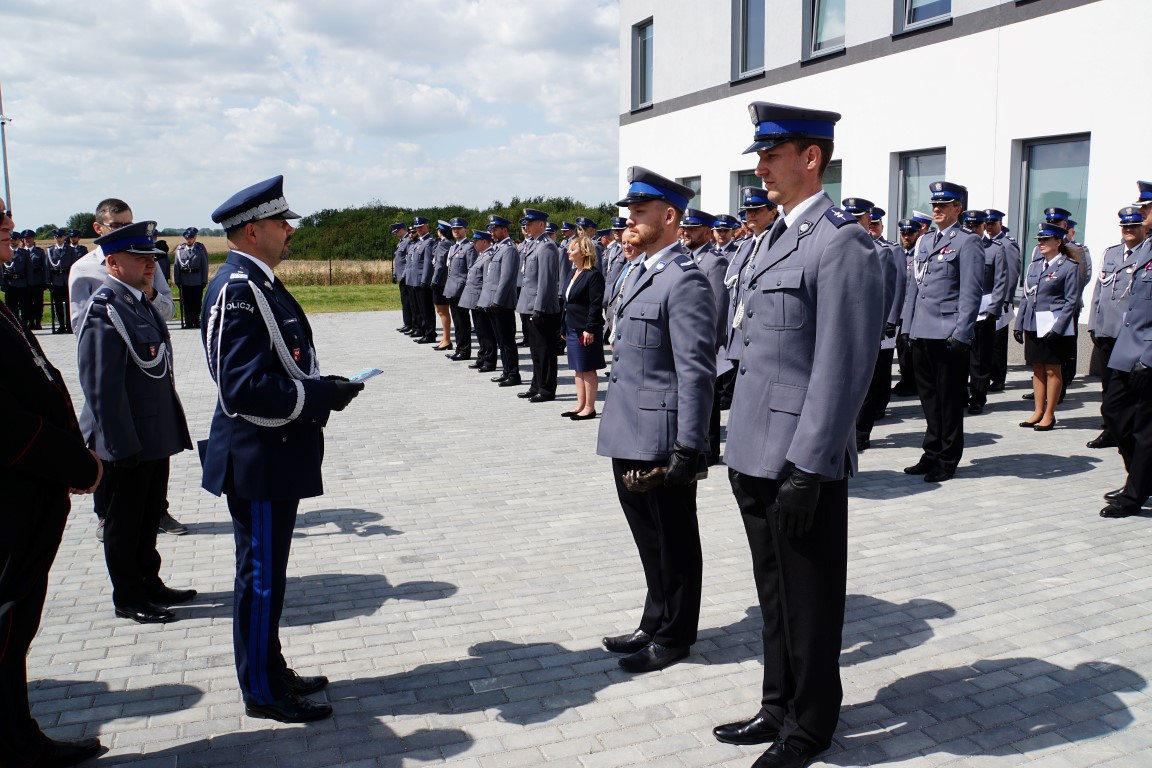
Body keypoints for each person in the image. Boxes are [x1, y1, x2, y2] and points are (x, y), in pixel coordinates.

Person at [713, 102, 883, 768]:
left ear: (810, 158)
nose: (760, 168)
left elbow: (844, 365)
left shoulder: (841, 241)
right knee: (775, 593)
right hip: (754, 449)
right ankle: (777, 705)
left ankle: (810, 727)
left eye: (770, 155)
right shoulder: (770, 237)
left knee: (811, 600)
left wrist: (809, 467)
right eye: (760, 155)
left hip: (798, 460)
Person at [200, 176, 364, 723]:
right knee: (261, 578)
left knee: (270, 575)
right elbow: (240, 388)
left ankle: (271, 668)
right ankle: (263, 691)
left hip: (275, 452)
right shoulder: (238, 290)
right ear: (253, 230)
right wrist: (320, 396)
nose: (289, 231)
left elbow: (282, 362)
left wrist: (324, 386)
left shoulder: (261, 283)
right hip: (258, 458)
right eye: (280, 223)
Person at [596, 166, 716, 675]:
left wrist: (689, 448)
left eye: (639, 213)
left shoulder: (685, 281)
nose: (630, 222)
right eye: (629, 213)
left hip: (662, 437)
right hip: (628, 427)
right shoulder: (638, 270)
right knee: (648, 536)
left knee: (675, 538)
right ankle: (654, 617)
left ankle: (675, 634)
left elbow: (695, 372)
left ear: (669, 217)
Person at [1, 198, 106, 768]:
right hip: (14, 494)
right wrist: (75, 464)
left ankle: (19, 733)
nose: (10, 230)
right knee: (7, 623)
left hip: (28, 491)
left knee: (14, 628)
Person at [76, 221, 196, 624]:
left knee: (147, 517)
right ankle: (128, 595)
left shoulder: (138, 302)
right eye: (139, 258)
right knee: (124, 523)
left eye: (152, 259)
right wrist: (119, 444)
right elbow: (101, 387)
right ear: (112, 262)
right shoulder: (105, 308)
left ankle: (149, 581)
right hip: (127, 440)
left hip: (152, 435)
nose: (150, 265)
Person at [900, 181, 984, 483]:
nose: (936, 209)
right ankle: (931, 452)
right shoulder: (924, 242)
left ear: (957, 209)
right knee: (929, 401)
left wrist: (962, 334)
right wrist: (907, 328)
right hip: (922, 332)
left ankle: (948, 458)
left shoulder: (967, 242)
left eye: (944, 205)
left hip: (948, 334)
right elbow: (914, 288)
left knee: (949, 402)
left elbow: (971, 292)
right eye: (934, 204)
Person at [68, 198, 175, 331]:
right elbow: (81, 326)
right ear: (98, 228)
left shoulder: (147, 261)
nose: (124, 231)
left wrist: (151, 294)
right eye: (116, 226)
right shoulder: (83, 269)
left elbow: (169, 313)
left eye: (128, 225)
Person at [1087, 208, 1146, 449]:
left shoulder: (1146, 255)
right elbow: (1098, 292)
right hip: (1107, 331)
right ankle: (1110, 430)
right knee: (1108, 386)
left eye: (1134, 226)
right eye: (1125, 227)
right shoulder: (1111, 253)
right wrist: (1093, 325)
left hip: (1130, 336)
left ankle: (1128, 430)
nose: (1128, 230)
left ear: (1145, 228)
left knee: (1129, 389)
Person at [1013, 222, 1081, 431]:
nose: (1041, 243)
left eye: (1045, 240)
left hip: (1054, 326)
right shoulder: (1035, 265)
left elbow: (1072, 301)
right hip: (1034, 323)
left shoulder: (1069, 266)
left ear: (1058, 242)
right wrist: (1018, 323)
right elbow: (1026, 296)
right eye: (1039, 240)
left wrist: (1058, 328)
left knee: (1053, 370)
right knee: (1037, 369)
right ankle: (1037, 411)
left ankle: (1049, 414)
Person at [962, 209, 1008, 415]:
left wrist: (994, 308)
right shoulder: (959, 246)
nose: (973, 229)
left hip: (984, 310)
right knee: (960, 357)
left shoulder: (995, 249)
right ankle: (960, 395)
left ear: (983, 227)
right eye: (969, 226)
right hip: (962, 311)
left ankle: (978, 398)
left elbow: (1001, 282)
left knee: (980, 359)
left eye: (976, 226)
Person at [515, 208, 562, 402]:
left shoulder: (547, 246)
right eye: (526, 222)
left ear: (541, 224)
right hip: (529, 304)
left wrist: (539, 308)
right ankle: (536, 385)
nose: (526, 226)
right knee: (535, 350)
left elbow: (546, 281)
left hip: (540, 307)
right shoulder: (533, 245)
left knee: (545, 351)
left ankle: (547, 389)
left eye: (530, 222)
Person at [561, 235, 605, 419]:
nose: (568, 251)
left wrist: (589, 328)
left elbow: (595, 305)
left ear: (584, 252)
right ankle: (580, 404)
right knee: (578, 368)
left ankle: (590, 407)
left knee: (587, 368)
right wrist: (564, 327)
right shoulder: (573, 273)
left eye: (573, 249)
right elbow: (568, 303)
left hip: (585, 329)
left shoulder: (593, 275)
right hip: (572, 327)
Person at [479, 215, 522, 387]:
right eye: (491, 229)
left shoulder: (509, 249)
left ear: (504, 230)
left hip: (502, 303)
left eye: (495, 229)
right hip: (493, 302)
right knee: (501, 340)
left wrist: (497, 301)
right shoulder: (498, 248)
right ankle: (506, 371)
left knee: (507, 340)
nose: (492, 232)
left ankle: (513, 374)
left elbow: (506, 278)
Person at [985, 208, 1022, 392]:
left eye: (992, 223)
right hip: (985, 300)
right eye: (987, 223)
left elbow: (1012, 273)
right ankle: (987, 374)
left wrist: (1007, 298)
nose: (989, 226)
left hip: (1000, 300)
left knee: (998, 342)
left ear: (1000, 223)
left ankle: (998, 377)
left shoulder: (1007, 244)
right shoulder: (984, 243)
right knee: (986, 341)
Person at [459, 229, 498, 372]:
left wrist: (485, 300)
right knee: (481, 331)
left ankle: (489, 360)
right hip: (474, 300)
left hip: (481, 300)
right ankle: (482, 357)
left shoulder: (488, 257)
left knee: (486, 332)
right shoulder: (481, 256)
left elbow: (487, 281)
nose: (474, 244)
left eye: (476, 241)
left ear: (485, 242)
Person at [443, 217, 475, 360]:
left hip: (462, 290)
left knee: (463, 322)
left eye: (459, 229)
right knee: (457, 322)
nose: (456, 231)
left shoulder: (469, 247)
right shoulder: (453, 247)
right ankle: (459, 348)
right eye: (454, 229)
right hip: (451, 289)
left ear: (465, 230)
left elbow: (471, 271)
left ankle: (465, 350)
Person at [173, 227, 210, 329]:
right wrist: (177, 280)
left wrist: (204, 280)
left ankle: (196, 320)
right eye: (187, 238)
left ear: (195, 238)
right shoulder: (180, 250)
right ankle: (188, 321)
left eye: (191, 238)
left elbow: (204, 265)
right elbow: (176, 266)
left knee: (197, 301)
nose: (189, 240)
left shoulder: (200, 249)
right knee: (187, 302)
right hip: (185, 280)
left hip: (197, 280)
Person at [46, 229, 77, 333]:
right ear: (54, 238)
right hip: (56, 281)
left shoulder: (70, 250)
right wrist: (48, 281)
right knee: (58, 305)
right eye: (57, 237)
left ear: (64, 238)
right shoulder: (50, 251)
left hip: (67, 280)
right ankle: (61, 325)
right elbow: (47, 267)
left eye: (60, 237)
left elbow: (73, 266)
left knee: (69, 304)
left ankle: (69, 325)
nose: (59, 239)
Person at [431, 221, 453, 350]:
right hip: (443, 281)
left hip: (440, 282)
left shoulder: (444, 244)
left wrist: (434, 281)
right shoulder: (446, 243)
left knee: (442, 311)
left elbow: (440, 264)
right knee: (441, 311)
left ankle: (447, 339)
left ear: (440, 231)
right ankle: (445, 338)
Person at [392, 223, 414, 334]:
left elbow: (408, 261)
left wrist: (404, 275)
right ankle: (407, 323)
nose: (395, 234)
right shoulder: (401, 242)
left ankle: (410, 324)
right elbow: (398, 260)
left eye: (396, 231)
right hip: (401, 276)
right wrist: (395, 273)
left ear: (402, 230)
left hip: (406, 276)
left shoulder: (408, 241)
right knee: (404, 301)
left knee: (408, 301)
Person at [24, 231, 47, 330]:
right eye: (26, 239)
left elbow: (45, 267)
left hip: (37, 281)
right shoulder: (22, 251)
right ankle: (30, 322)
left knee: (38, 303)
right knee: (27, 303)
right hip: (25, 283)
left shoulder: (39, 252)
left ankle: (38, 321)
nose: (28, 240)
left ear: (33, 239)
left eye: (29, 238)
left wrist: (45, 281)